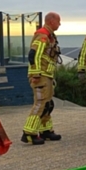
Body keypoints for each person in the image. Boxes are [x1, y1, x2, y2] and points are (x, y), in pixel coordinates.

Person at [22, 12, 62, 145]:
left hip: (47, 75)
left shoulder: (49, 35)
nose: (60, 24)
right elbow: (34, 55)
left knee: (48, 104)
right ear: (51, 21)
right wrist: (35, 74)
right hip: (41, 75)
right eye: (58, 21)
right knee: (40, 103)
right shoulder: (42, 35)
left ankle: (46, 131)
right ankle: (29, 133)